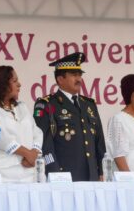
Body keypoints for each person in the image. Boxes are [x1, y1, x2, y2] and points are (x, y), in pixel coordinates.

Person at [33, 52, 106, 181]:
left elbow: (99, 142)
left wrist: (102, 171)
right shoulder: (46, 105)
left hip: (92, 177)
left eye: (80, 75)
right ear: (60, 79)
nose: (79, 79)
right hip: (63, 177)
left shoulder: (89, 104)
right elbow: (45, 144)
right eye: (73, 75)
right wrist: (54, 173)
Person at [0, 66, 43, 182]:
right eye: (14, 81)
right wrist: (27, 154)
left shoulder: (21, 106)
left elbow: (36, 132)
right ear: (2, 84)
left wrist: (34, 153)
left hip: (28, 173)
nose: (19, 84)